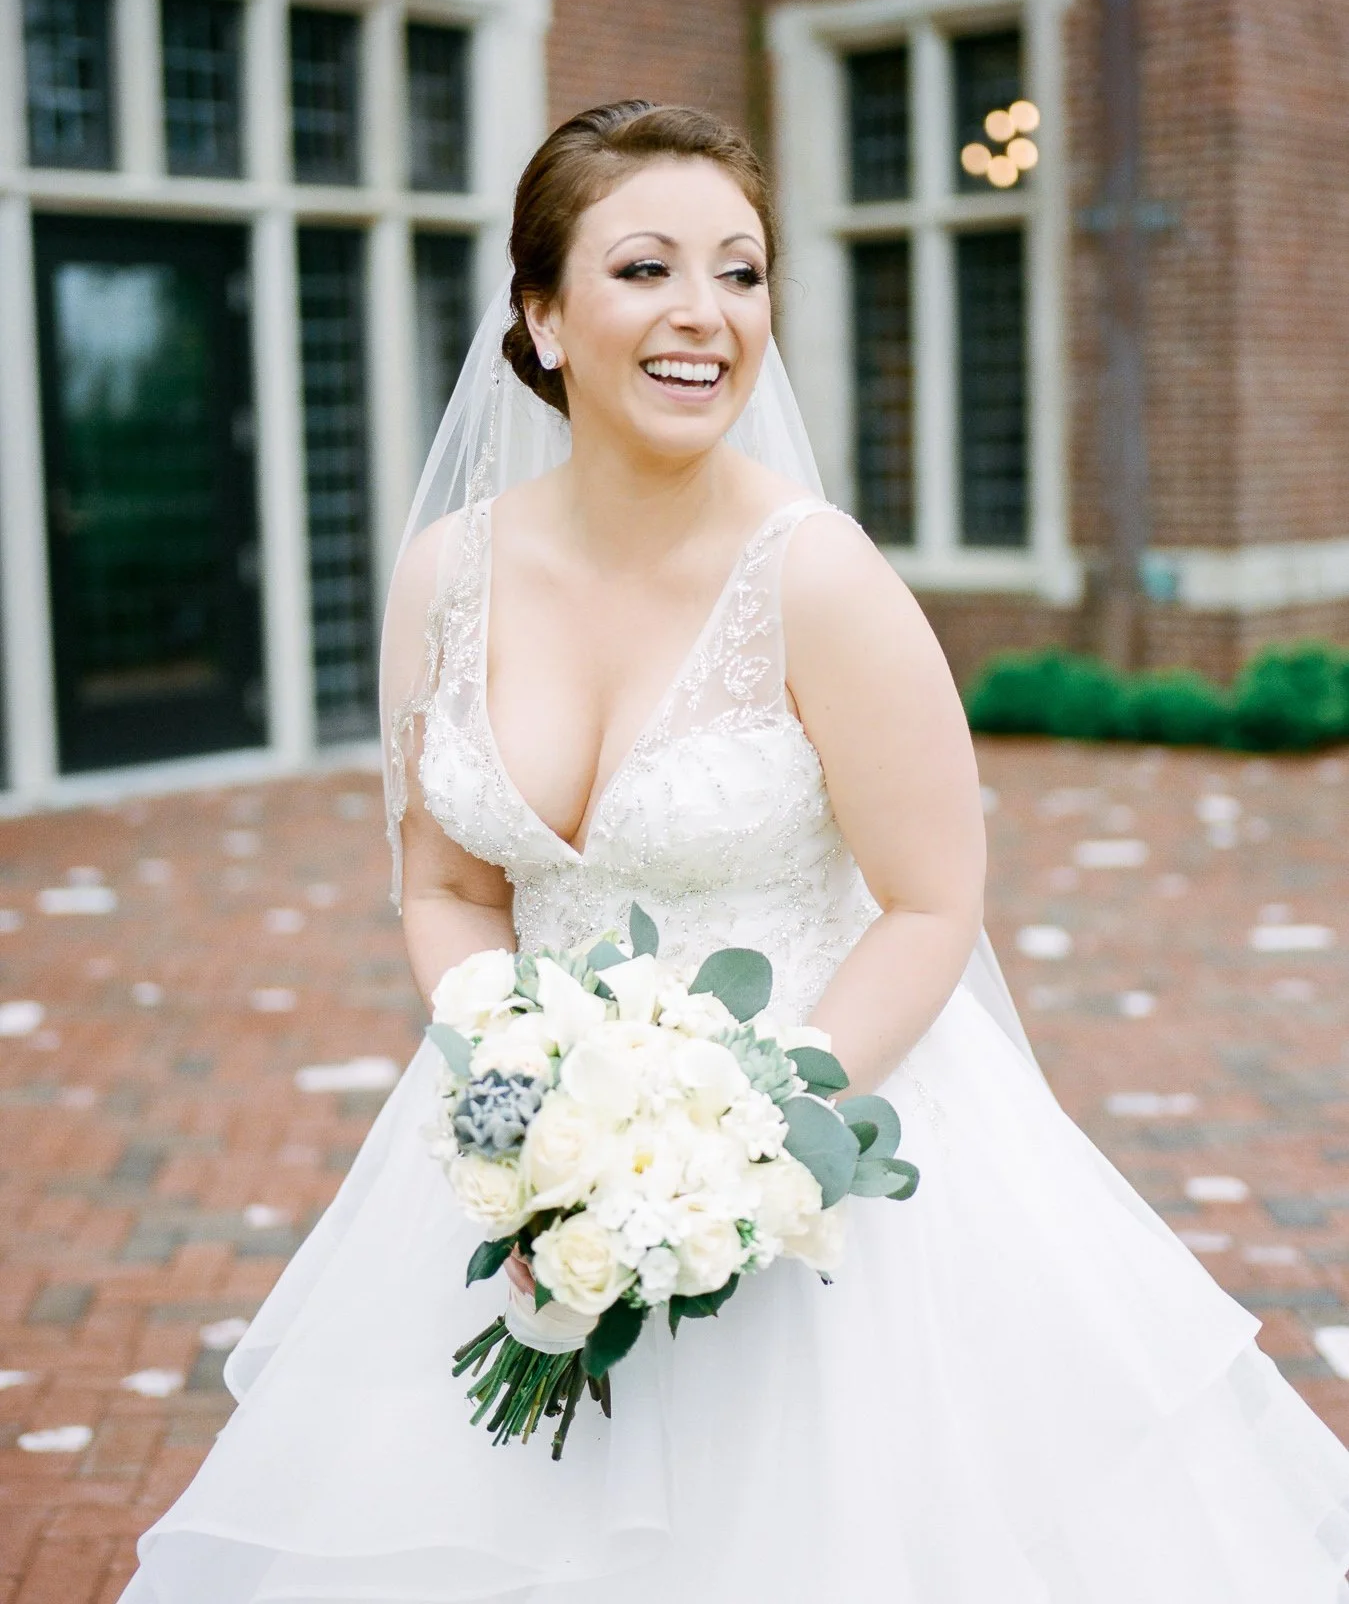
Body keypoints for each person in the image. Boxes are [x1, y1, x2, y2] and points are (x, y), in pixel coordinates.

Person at [121, 101, 1349, 1601]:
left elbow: (932, 900)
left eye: (743, 273)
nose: (705, 315)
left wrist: (750, 1133)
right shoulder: (449, 577)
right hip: (539, 1156)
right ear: (542, 315)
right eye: (645, 269)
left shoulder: (816, 575)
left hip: (829, 1172)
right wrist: (511, 1071)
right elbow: (449, 884)